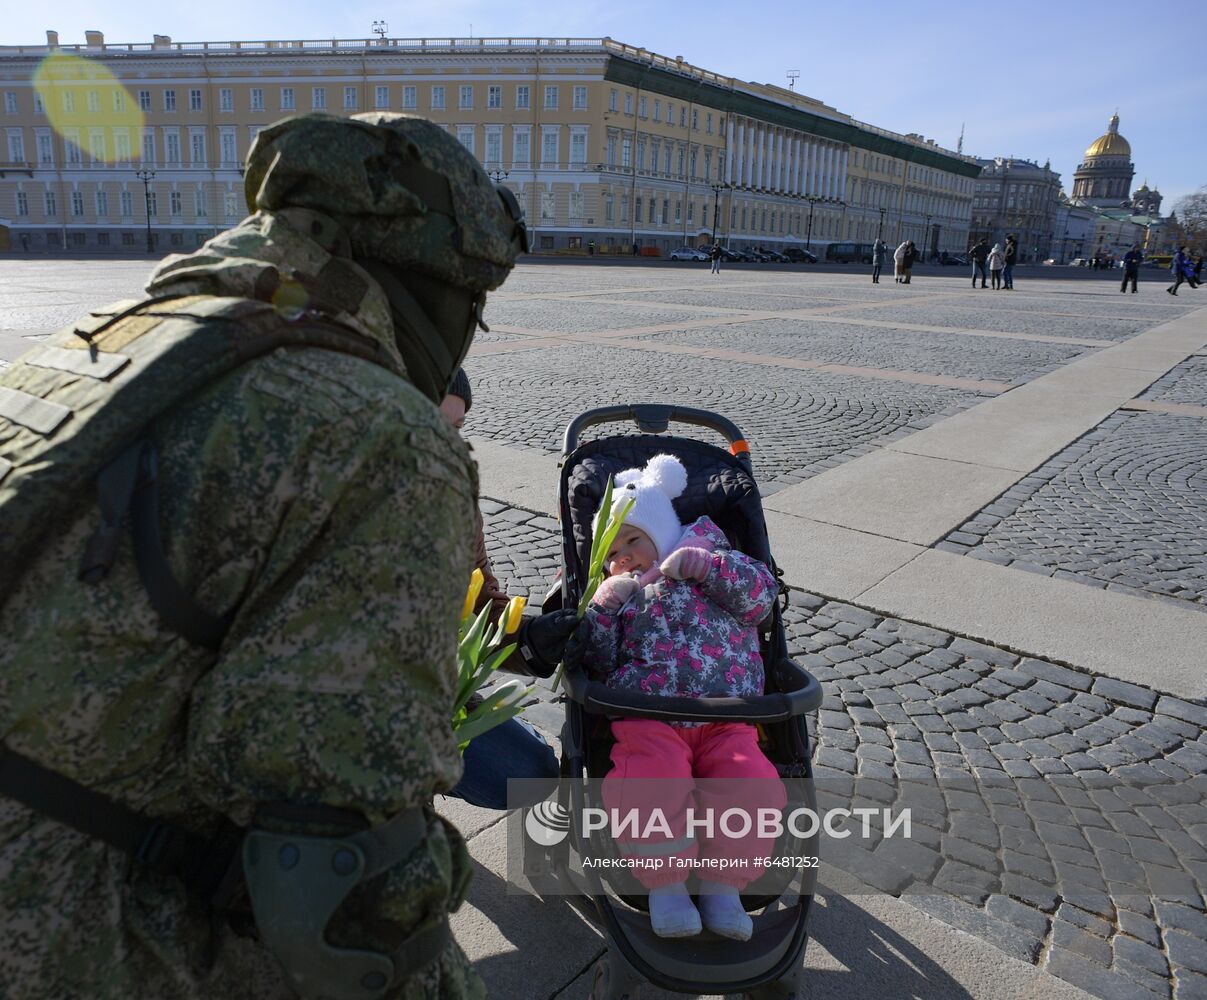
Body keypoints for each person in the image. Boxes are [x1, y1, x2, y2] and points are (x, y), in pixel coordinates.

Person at [0, 113, 528, 1000]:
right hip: (76, 928)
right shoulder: (372, 433)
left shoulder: (88, 346)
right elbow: (335, 852)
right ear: (430, 281)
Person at [581, 454, 785, 943]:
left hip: (727, 712)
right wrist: (603, 611)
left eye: (633, 540)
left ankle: (723, 885)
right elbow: (598, 662)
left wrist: (710, 569)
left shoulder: (710, 553)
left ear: (662, 531)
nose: (622, 556)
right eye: (610, 551)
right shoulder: (620, 593)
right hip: (648, 713)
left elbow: (761, 600)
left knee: (750, 780)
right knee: (649, 778)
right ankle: (666, 886)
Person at [439, 368, 575, 809]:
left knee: (527, 775)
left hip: (434, 699)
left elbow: (477, 598)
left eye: (455, 430)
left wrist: (529, 638)